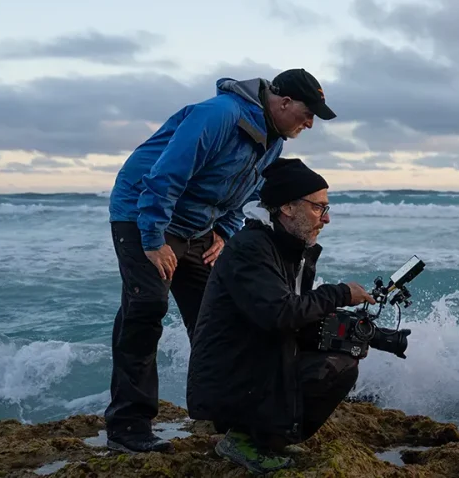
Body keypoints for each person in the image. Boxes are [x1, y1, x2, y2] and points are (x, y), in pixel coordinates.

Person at [104, 68, 337, 454]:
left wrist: (224, 232)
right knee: (145, 309)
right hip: (144, 213)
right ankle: (127, 426)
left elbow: (248, 192)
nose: (310, 123)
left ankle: (231, 420)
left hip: (199, 228)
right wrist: (153, 237)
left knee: (218, 318)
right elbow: (165, 174)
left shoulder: (272, 141)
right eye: (308, 113)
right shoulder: (219, 115)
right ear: (284, 102)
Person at [186, 158, 376, 474]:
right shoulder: (251, 247)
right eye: (318, 207)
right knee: (336, 366)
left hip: (255, 361)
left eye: (326, 208)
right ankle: (245, 438)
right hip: (231, 375)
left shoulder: (286, 246)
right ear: (287, 207)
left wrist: (350, 329)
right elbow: (280, 314)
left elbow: (294, 314)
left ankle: (269, 436)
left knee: (343, 350)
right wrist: (339, 293)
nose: (326, 218)